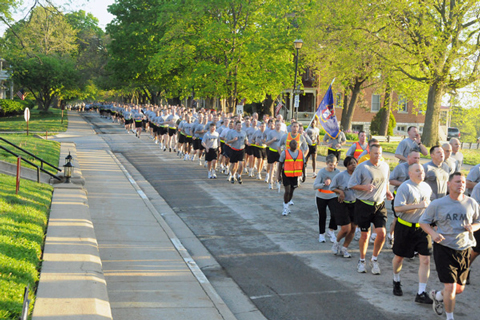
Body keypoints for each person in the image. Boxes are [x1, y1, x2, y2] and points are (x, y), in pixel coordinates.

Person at [420, 173, 480, 320]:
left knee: (459, 289)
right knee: (451, 287)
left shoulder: (472, 203)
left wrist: (473, 227)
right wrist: (433, 235)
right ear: (449, 184)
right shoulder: (438, 204)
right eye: (458, 182)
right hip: (444, 249)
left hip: (465, 249)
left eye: (463, 182)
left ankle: (438, 295)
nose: (461, 185)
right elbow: (423, 221)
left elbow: (479, 221)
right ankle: (450, 317)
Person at [391, 163, 434, 304]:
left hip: (422, 228)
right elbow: (397, 208)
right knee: (399, 258)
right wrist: (418, 205)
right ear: (410, 173)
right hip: (405, 227)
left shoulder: (427, 187)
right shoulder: (405, 187)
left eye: (422, 170)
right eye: (417, 170)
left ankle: (421, 292)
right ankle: (396, 280)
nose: (421, 173)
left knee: (425, 259)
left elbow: (429, 207)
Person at [348, 144, 393, 274]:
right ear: (370, 153)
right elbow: (351, 184)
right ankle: (362, 261)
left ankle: (374, 259)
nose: (378, 156)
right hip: (363, 204)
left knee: (382, 233)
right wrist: (364, 187)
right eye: (375, 153)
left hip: (379, 204)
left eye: (380, 153)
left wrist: (388, 191)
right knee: (365, 234)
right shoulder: (363, 167)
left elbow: (386, 181)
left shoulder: (385, 166)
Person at [388, 151, 421, 247]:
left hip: (414, 198)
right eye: (415, 158)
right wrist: (403, 184)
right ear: (408, 157)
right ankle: (391, 236)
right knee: (397, 219)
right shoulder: (401, 167)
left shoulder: (420, 168)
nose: (417, 160)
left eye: (418, 158)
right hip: (399, 196)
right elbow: (390, 180)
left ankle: (410, 243)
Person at [330, 156, 358, 258]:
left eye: (354, 163)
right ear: (346, 166)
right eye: (351, 163)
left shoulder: (358, 176)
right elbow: (332, 187)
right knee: (346, 228)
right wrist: (340, 191)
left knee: (353, 228)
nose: (353, 165)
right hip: (342, 203)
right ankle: (336, 243)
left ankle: (345, 248)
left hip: (355, 203)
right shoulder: (340, 176)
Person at [313, 154, 340, 243]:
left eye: (334, 164)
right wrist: (324, 184)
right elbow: (315, 186)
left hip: (333, 196)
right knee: (322, 215)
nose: (332, 167)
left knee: (335, 214)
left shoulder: (338, 172)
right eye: (330, 165)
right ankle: (321, 234)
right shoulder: (322, 172)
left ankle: (331, 231)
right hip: (321, 196)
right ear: (326, 164)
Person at [277, 139, 306, 216]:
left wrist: (304, 175)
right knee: (287, 191)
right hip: (286, 174)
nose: (295, 144)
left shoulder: (300, 153)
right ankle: (285, 208)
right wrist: (278, 175)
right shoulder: (285, 153)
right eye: (293, 143)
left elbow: (303, 164)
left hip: (295, 175)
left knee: (292, 191)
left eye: (296, 143)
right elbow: (280, 164)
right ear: (289, 145)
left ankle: (287, 204)